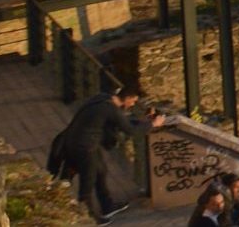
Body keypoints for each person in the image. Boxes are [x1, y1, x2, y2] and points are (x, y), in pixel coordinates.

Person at [52, 85, 161, 221]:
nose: (133, 105)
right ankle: (89, 217)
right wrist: (153, 124)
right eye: (133, 101)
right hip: (85, 147)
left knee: (101, 171)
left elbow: (122, 121)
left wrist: (143, 121)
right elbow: (130, 130)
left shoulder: (103, 98)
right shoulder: (111, 110)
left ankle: (107, 205)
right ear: (127, 98)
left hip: (76, 140)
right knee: (88, 181)